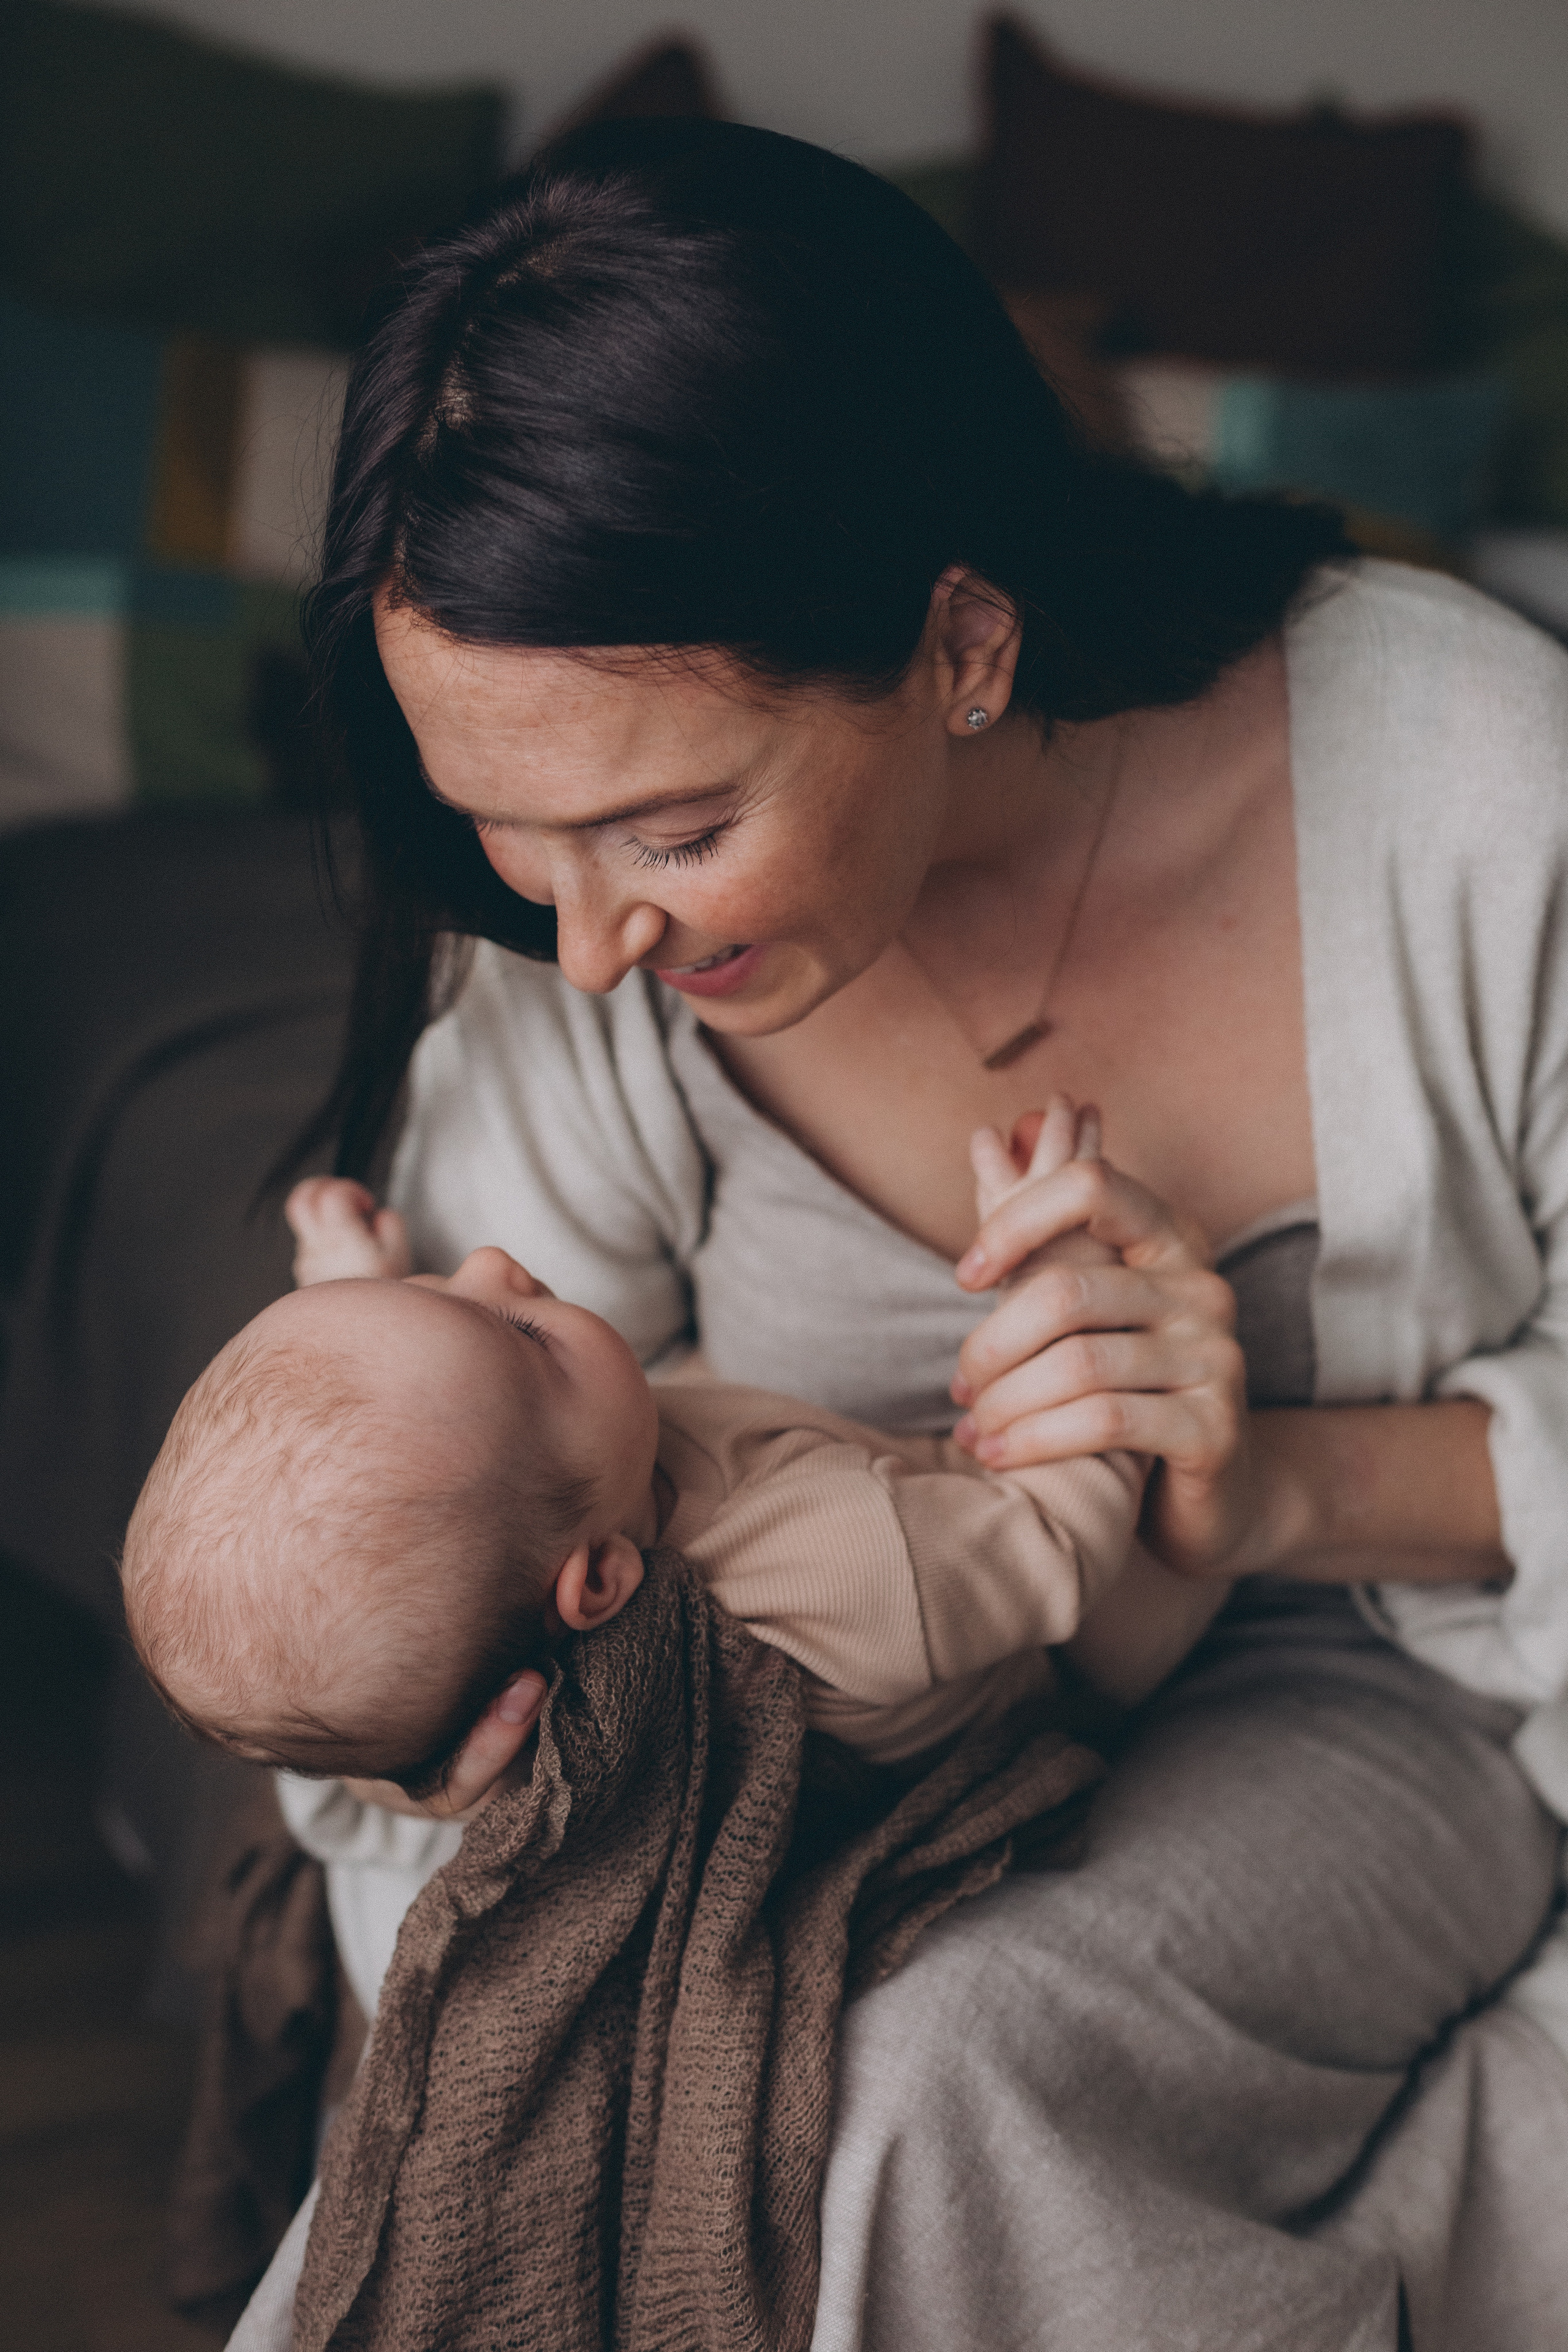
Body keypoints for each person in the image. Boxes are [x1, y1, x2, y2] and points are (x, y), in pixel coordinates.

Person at [232, 116, 1568, 2352]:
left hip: (1362, 1694)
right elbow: (448, 1515)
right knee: (630, 2080)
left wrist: (1274, 1482)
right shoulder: (595, 958)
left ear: (957, 642)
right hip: (819, 1753)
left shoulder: (1479, 800)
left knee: (918, 2077)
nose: (585, 945)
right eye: (507, 838)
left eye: (676, 824)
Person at [123, 1106, 1186, 1790]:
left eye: (427, 1291)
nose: (494, 1264)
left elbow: (378, 1488)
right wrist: (1060, 1290)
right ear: (601, 1581)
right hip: (1070, 1660)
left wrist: (351, 1288)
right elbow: (1059, 1546)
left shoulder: (509, 1606)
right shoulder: (847, 1565)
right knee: (1163, 1570)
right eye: (523, 1338)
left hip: (943, 1540)